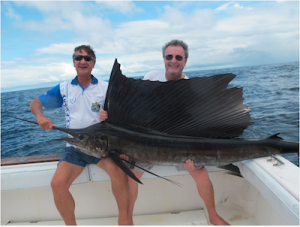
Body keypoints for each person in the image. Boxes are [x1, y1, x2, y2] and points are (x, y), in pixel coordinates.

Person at [100, 40, 230, 225]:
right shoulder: (151, 77)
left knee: (201, 173)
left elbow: (195, 125)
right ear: (164, 59)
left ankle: (213, 215)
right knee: (131, 178)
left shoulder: (189, 87)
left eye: (178, 57)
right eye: (169, 57)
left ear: (185, 61)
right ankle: (127, 221)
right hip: (145, 145)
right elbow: (132, 109)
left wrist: (195, 157)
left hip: (179, 146)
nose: (173, 61)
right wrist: (108, 114)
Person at [30, 45, 129, 225]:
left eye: (87, 59)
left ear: (93, 63)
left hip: (102, 147)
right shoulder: (64, 88)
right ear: (73, 62)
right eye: (78, 58)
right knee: (57, 184)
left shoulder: (106, 88)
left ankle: (125, 220)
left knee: (118, 172)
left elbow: (122, 116)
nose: (83, 61)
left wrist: (110, 115)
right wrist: (40, 116)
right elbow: (35, 103)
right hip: (75, 148)